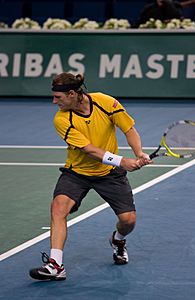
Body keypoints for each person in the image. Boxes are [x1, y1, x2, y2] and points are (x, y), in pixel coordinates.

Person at [29, 72, 152, 281]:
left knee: (128, 221)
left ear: (71, 94)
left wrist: (139, 153)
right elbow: (89, 150)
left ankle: (118, 241)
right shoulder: (61, 119)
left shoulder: (106, 102)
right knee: (58, 207)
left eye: (58, 97)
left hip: (109, 175)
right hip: (77, 173)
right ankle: (55, 265)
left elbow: (128, 129)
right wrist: (123, 161)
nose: (53, 101)